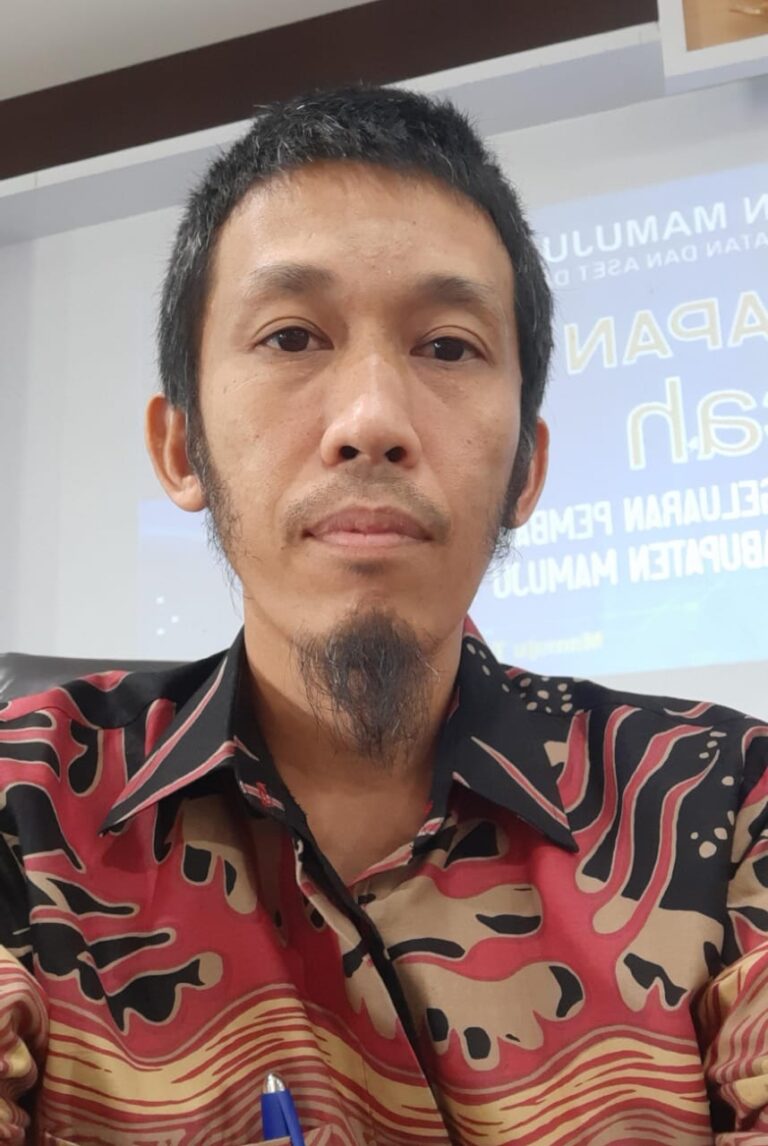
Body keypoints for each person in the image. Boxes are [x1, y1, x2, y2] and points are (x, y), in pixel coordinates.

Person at [0, 84, 766, 1146]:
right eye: (291, 336)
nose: (370, 421)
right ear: (181, 449)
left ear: (526, 470)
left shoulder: (725, 803)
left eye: (447, 347)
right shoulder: (24, 808)